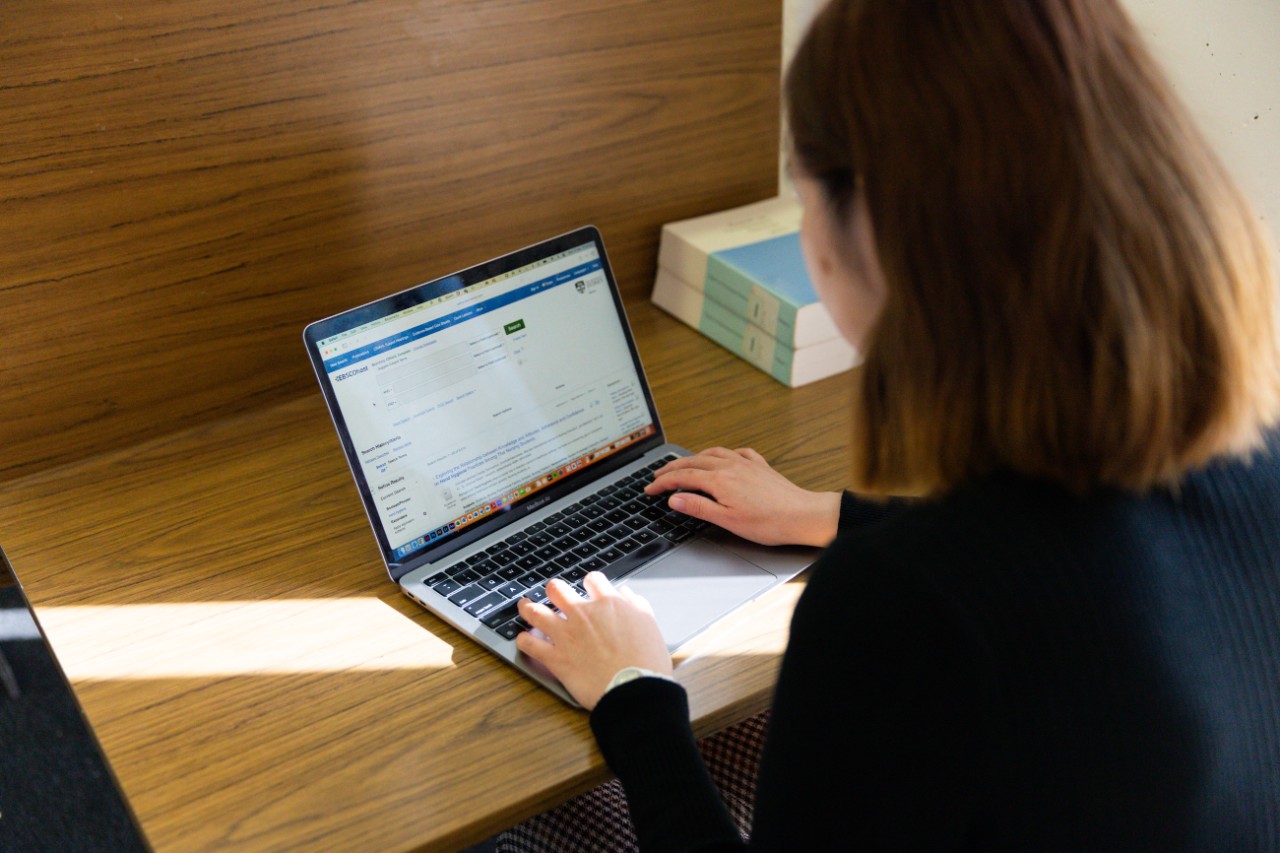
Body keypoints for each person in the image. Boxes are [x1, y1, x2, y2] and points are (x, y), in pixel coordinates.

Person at [513, 0, 1280, 848]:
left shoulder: (892, 610)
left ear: (873, 226)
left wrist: (634, 689)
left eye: (804, 193)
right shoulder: (1259, 459)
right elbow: (1060, 549)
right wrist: (828, 513)